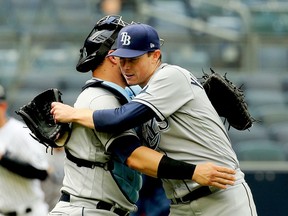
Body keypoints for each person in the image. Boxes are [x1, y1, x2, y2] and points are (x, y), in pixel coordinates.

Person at [51, 23, 258, 216]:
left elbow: (118, 119)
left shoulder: (171, 76)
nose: (126, 67)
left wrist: (73, 113)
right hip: (179, 205)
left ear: (155, 55)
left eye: (133, 59)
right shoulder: (138, 93)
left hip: (221, 195)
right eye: (122, 59)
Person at [0, 84, 50, 216]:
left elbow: (42, 172)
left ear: (3, 107)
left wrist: (4, 159)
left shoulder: (20, 132)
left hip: (30, 212)